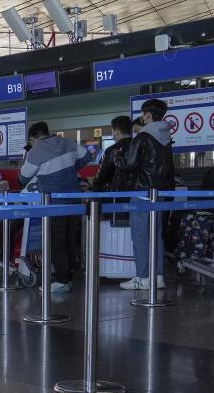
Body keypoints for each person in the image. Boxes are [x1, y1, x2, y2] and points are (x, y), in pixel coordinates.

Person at [20, 122, 91, 292]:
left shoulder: (36, 151)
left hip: (53, 202)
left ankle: (62, 281)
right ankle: (69, 274)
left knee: (57, 241)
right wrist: (70, 170)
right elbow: (87, 156)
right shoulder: (67, 142)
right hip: (74, 199)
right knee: (70, 238)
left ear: (32, 138)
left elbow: (23, 177)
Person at [115, 98, 174, 290]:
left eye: (143, 114)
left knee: (140, 236)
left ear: (147, 115)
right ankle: (158, 277)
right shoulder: (166, 138)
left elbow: (128, 165)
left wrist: (117, 157)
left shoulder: (142, 137)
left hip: (142, 192)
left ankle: (142, 277)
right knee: (156, 236)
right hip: (160, 193)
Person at [91, 116, 134, 192]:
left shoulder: (112, 150)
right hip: (138, 193)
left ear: (117, 132)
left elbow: (103, 174)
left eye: (112, 131)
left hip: (117, 194)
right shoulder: (140, 146)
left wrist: (94, 186)